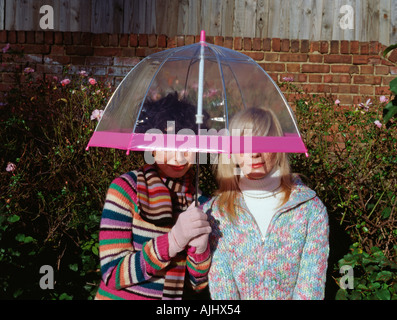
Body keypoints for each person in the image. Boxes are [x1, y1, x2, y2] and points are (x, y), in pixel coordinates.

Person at [95, 92, 212, 300]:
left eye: (187, 146)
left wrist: (200, 250)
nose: (178, 158)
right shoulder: (126, 189)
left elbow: (198, 285)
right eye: (167, 145)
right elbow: (112, 273)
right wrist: (172, 241)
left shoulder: (201, 203)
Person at [204, 107, 329, 300]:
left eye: (263, 141)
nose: (254, 153)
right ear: (232, 152)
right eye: (244, 143)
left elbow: (310, 288)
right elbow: (223, 291)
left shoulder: (310, 210)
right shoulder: (217, 212)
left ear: (278, 146)